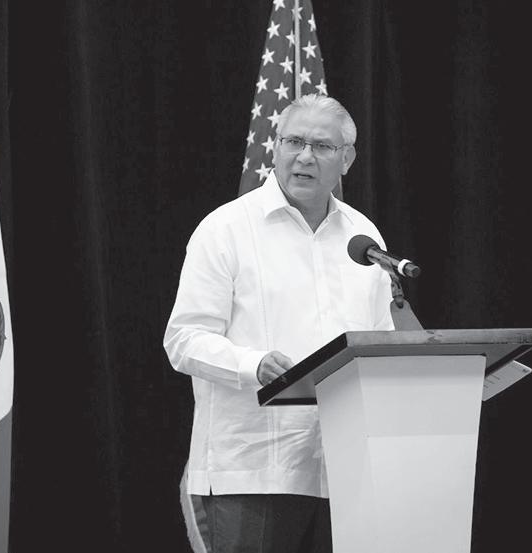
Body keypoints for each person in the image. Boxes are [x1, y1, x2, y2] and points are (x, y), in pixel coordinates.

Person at [164, 94, 394, 553]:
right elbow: (184, 340)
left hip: (346, 467)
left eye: (322, 146)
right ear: (275, 147)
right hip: (254, 469)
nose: (305, 156)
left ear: (346, 159)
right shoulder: (226, 229)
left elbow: (380, 343)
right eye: (294, 142)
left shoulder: (363, 237)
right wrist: (254, 364)